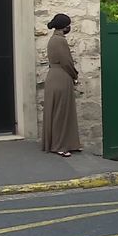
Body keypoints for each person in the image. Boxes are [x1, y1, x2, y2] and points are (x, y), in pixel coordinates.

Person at [42, 13, 81, 157]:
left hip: (53, 76)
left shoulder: (53, 40)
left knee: (55, 111)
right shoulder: (60, 41)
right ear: (64, 27)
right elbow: (67, 62)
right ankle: (60, 145)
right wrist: (75, 75)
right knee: (62, 113)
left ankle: (63, 143)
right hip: (61, 78)